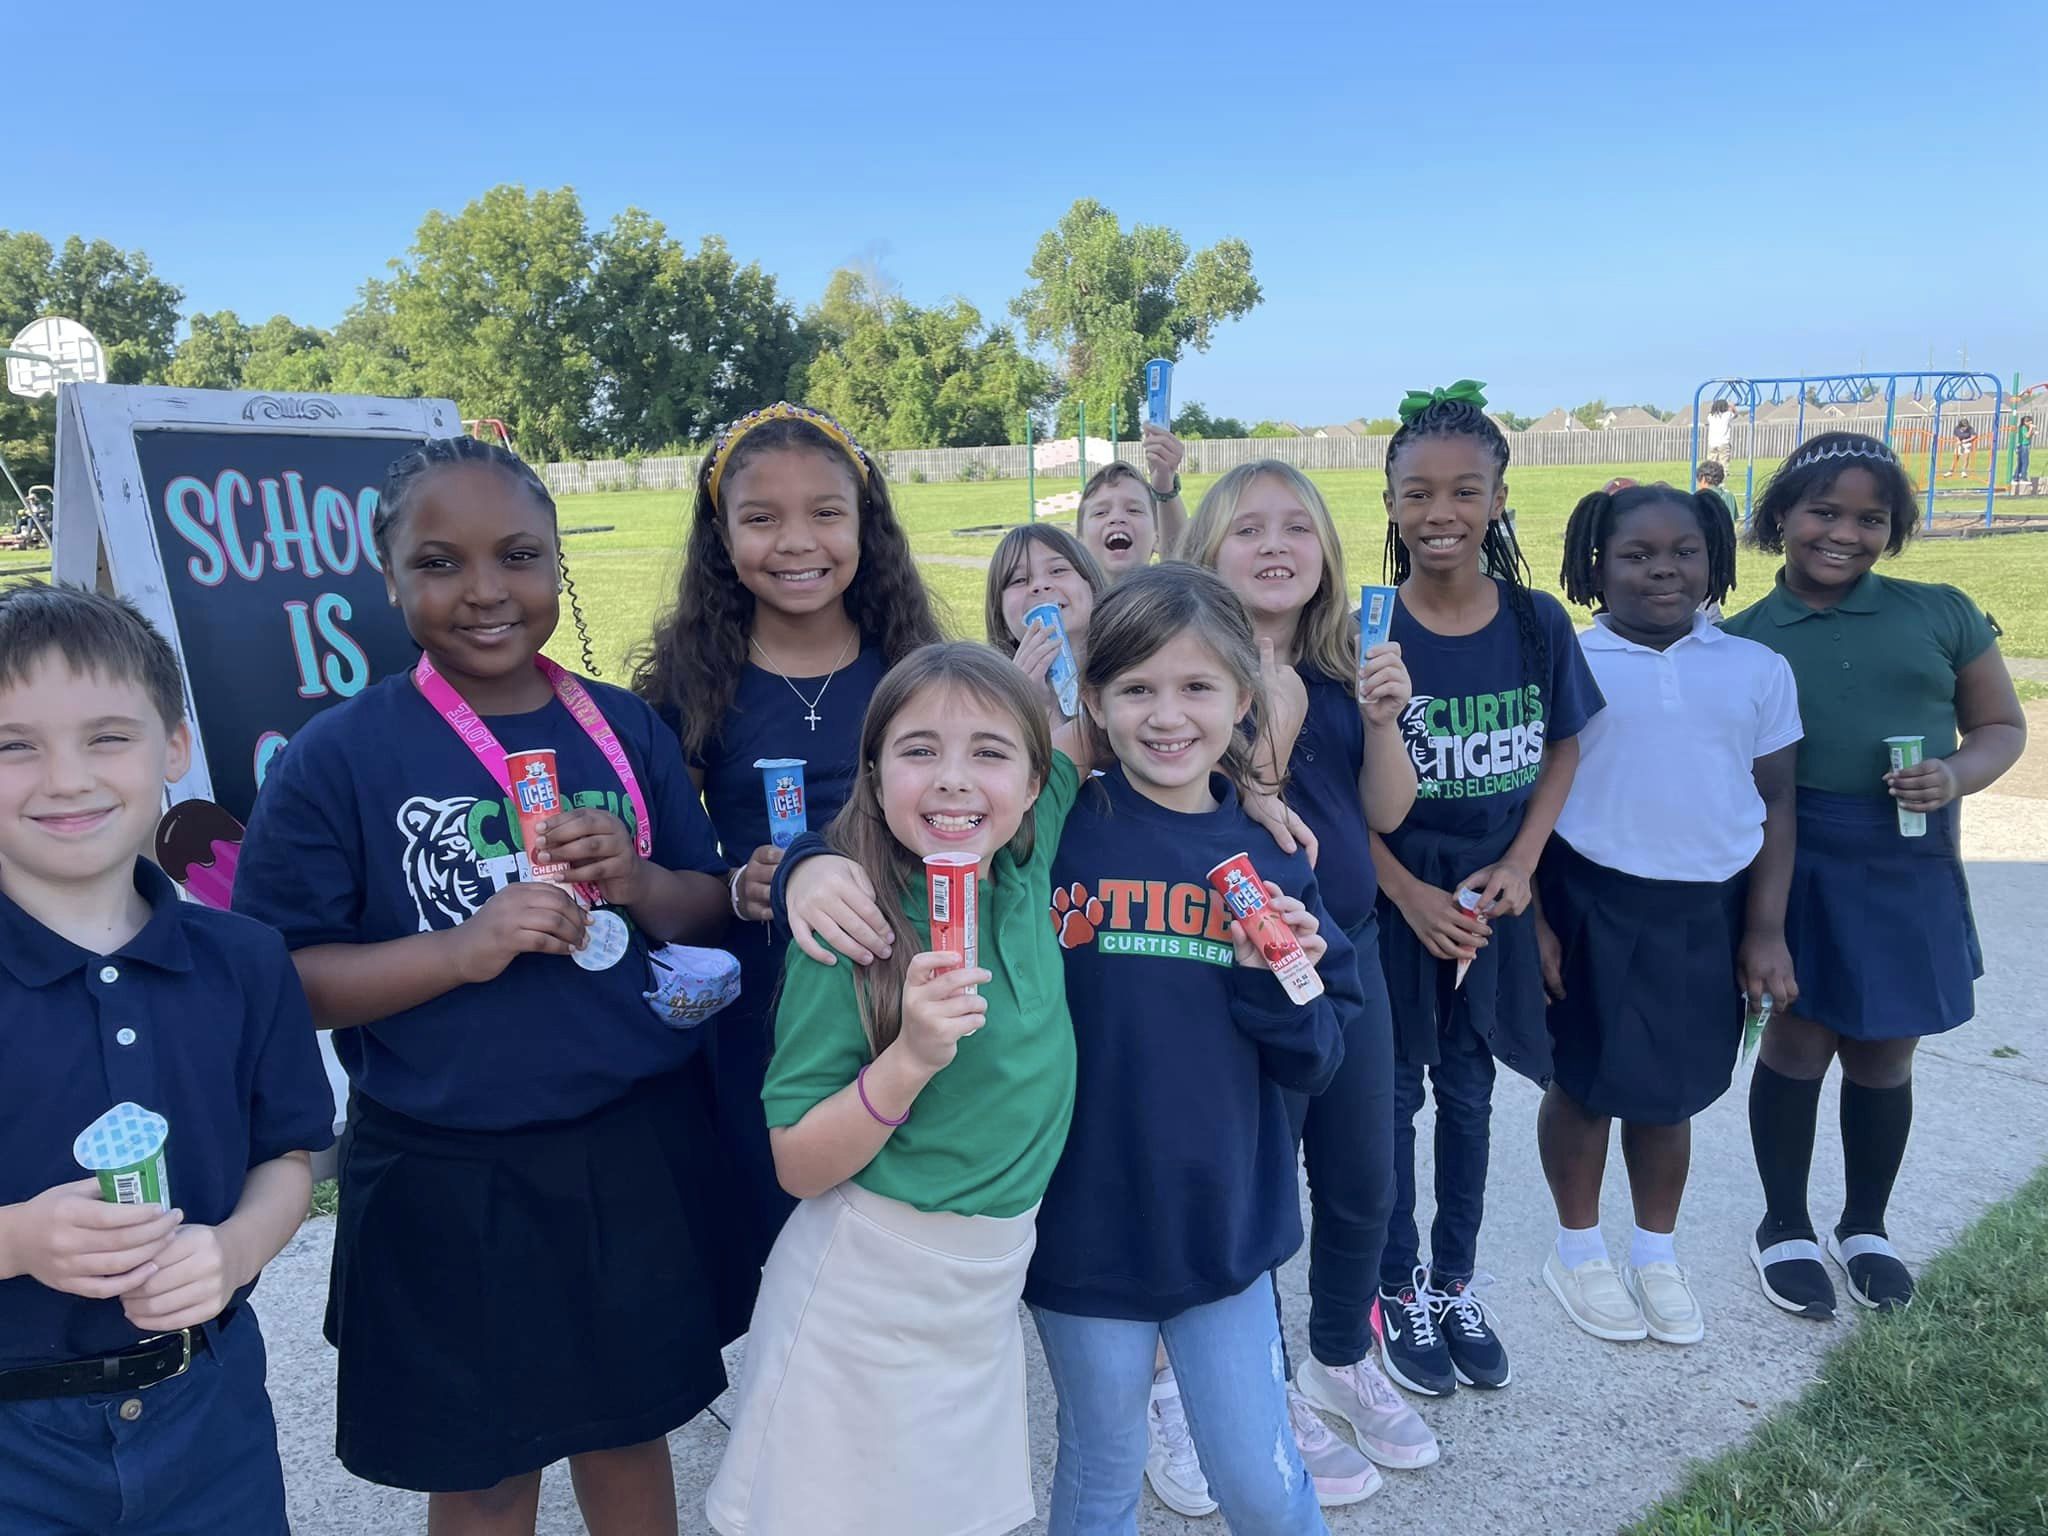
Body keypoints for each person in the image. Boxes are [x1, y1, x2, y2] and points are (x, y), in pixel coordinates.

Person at [234, 437, 740, 1534]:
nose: (484, 593)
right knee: (480, 1469)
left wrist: (642, 879)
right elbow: (283, 979)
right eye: (439, 563)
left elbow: (708, 906)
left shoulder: (624, 727)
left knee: (627, 1428)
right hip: (444, 1166)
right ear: (388, 579)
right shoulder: (339, 758)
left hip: (627, 1146)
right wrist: (458, 952)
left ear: (558, 562)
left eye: (516, 556)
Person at [706, 644, 1078, 1536]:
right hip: (865, 1294)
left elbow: (1089, 729)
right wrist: (908, 1058)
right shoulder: (851, 931)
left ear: (1033, 786)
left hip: (985, 1287)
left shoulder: (1025, 870)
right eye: (919, 751)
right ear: (872, 776)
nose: (954, 781)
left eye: (990, 753)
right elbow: (796, 1162)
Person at [0, 582, 334, 1534]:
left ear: (174, 747)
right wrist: (17, 1240)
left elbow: (290, 1158)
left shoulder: (244, 959)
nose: (66, 779)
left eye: (108, 737)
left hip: (208, 1411)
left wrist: (232, 1252)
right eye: (13, 745)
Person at [1025, 564, 1349, 1535]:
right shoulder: (1055, 836)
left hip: (1223, 1227)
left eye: (1197, 687)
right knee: (1099, 1470)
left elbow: (1318, 1056)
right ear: (1093, 698)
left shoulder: (1275, 855)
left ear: (1242, 697)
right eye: (1135, 689)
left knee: (1256, 1481)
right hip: (1081, 1229)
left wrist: (1269, 974)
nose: (1167, 716)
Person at [632, 402, 943, 1279]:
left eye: (826, 513)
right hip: (764, 1007)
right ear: (721, 537)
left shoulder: (915, 666)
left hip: (904, 984)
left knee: (899, 1226)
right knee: (788, 1235)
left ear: (865, 524)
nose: (797, 541)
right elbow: (666, 864)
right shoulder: (690, 685)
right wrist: (737, 884)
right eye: (761, 518)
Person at [1722, 432, 2026, 1316]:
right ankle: (1783, 1223)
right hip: (1794, 860)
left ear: (1893, 531)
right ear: (1781, 516)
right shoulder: (1744, 640)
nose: (1843, 534)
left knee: (1888, 1048)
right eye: (1823, 511)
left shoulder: (1939, 612)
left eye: (1870, 518)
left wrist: (1955, 775)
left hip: (1908, 859)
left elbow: (2001, 727)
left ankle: (1866, 1225)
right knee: (1797, 1040)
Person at [1180, 462, 1441, 1492]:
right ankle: (1257, 1378)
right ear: (1204, 553)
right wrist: (1266, 723)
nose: (1276, 544)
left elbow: (1384, 816)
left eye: (1297, 527)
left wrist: (1382, 718)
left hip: (1350, 949)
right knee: (1254, 1173)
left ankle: (1337, 1355)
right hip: (1244, 961)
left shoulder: (1351, 662)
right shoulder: (1188, 671)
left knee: (1362, 1169)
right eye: (1247, 529)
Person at [1368, 381, 1603, 1399]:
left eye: (1463, 492)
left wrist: (1519, 864)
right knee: (1387, 1102)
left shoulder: (1534, 623)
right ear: (1387, 504)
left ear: (1499, 499)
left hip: (1486, 904)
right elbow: (1332, 793)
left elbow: (1561, 745)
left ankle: (1456, 1279)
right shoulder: (1367, 630)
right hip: (1390, 902)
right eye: (1416, 494)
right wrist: (1402, 894)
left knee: (1468, 1095)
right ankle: (1395, 1285)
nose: (1438, 515)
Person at [1534, 484, 1802, 1347]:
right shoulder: (1568, 663)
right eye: (1636, 554)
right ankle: (1577, 1249)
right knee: (1583, 1082)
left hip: (1708, 910)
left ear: (1714, 559)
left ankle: (1655, 1251)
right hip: (1590, 900)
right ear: (1594, 565)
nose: (1663, 570)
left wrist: (1764, 929)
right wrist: (1533, 920)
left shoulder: (1755, 668)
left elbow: (1777, 800)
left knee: (1671, 1091)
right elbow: (1527, 804)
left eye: (1684, 551)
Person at [986, 522, 1107, 726]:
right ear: (1002, 622)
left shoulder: (1129, 674)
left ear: (1093, 590)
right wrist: (1035, 707)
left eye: (1058, 570)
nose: (1039, 586)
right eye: (1019, 580)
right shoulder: (991, 706)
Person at [1074, 424, 1189, 579]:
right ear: (1079, 541)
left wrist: (1165, 488)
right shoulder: (1071, 600)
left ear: (1158, 537)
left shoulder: (1169, 598)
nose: (1117, 518)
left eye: (1134, 510)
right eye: (1100, 513)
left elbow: (1181, 559)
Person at [1705, 399, 1736, 467]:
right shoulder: (1727, 415)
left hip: (1712, 444)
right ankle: (1722, 477)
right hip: (1723, 443)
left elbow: (1711, 412)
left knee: (1710, 464)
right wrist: (1732, 407)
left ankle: (1710, 477)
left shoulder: (1710, 416)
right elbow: (1735, 415)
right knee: (1723, 464)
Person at [2012, 414, 2035, 493]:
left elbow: (2029, 436)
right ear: (2025, 422)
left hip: (2024, 446)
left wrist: (2032, 431)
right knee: (2025, 462)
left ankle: (2016, 477)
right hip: (2023, 446)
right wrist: (2031, 428)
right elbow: (2027, 436)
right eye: (2029, 421)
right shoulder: (2023, 428)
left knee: (2020, 463)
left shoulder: (2025, 428)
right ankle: (2023, 477)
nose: (2031, 423)